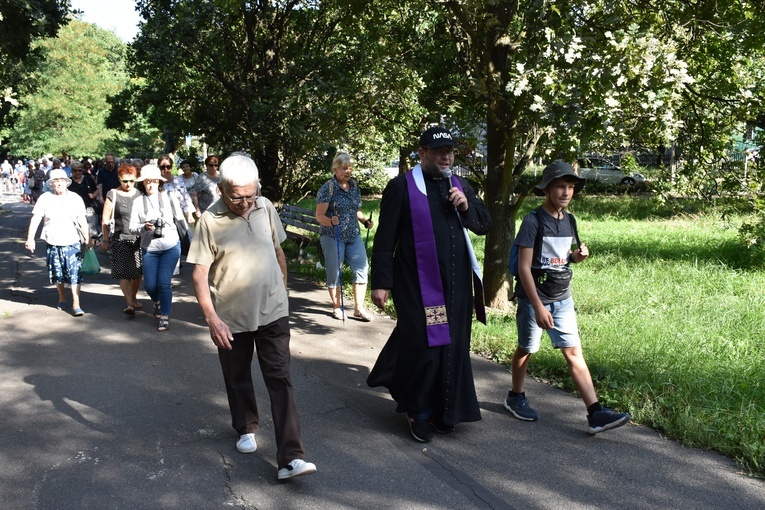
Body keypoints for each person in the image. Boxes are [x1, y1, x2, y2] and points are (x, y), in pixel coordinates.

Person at [187, 155, 317, 481]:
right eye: (237, 197)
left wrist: (283, 292)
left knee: (281, 379)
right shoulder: (209, 221)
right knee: (238, 377)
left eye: (250, 194)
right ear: (221, 189)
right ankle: (245, 426)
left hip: (273, 311)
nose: (245, 202)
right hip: (231, 317)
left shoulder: (265, 207)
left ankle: (292, 457)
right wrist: (212, 319)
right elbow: (199, 275)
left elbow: (277, 251)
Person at [367, 125, 492, 443]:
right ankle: (419, 411)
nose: (446, 157)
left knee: (453, 345)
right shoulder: (402, 187)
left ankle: (445, 411)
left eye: (449, 152)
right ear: (421, 154)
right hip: (421, 288)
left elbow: (484, 224)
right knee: (427, 345)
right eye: (439, 152)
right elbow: (385, 240)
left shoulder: (460, 185)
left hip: (458, 288)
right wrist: (380, 282)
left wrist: (466, 207)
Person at [503, 160, 631, 435]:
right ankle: (515, 395)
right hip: (533, 299)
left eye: (570, 187)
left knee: (573, 352)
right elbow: (524, 267)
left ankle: (595, 413)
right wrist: (537, 306)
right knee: (527, 349)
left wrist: (577, 257)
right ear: (547, 190)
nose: (565, 192)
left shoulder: (569, 220)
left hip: (562, 297)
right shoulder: (533, 220)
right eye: (560, 186)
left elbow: (563, 259)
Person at [314, 152, 374, 321]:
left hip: (353, 234)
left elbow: (356, 210)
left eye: (350, 168)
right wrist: (330, 221)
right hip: (333, 235)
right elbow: (319, 216)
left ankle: (358, 308)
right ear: (335, 169)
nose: (348, 171)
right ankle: (337, 307)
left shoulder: (354, 186)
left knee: (362, 268)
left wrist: (364, 221)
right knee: (335, 272)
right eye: (344, 168)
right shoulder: (328, 188)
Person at [24, 169, 92, 316]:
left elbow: (82, 220)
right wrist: (30, 238)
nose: (59, 183)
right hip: (53, 241)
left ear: (66, 182)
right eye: (56, 181)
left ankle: (76, 303)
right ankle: (61, 295)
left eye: (62, 180)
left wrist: (88, 237)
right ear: (51, 183)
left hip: (72, 241)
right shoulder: (45, 198)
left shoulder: (75, 198)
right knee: (57, 273)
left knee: (75, 272)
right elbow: (36, 218)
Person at [128, 164, 182, 331]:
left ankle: (165, 316)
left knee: (164, 283)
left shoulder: (170, 197)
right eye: (147, 182)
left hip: (170, 245)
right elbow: (131, 227)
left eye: (153, 181)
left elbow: (180, 218)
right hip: (149, 248)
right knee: (150, 285)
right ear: (143, 184)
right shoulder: (138, 202)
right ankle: (157, 302)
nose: (150, 184)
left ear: (160, 182)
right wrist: (145, 228)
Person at [101, 164, 144, 315]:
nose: (128, 184)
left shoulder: (139, 194)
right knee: (124, 272)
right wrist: (105, 239)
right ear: (119, 179)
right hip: (120, 237)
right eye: (125, 181)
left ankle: (132, 296)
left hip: (138, 237)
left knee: (138, 272)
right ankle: (129, 303)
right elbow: (105, 218)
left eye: (131, 181)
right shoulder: (112, 194)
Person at [158, 155, 197, 225]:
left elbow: (185, 198)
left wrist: (189, 215)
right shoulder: (156, 183)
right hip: (165, 220)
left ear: (171, 167)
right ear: (159, 167)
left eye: (168, 166)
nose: (166, 169)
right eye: (162, 167)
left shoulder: (178, 180)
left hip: (182, 218)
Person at [68, 160, 100, 237]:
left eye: (79, 170)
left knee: (91, 233)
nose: (78, 172)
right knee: (77, 232)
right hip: (74, 210)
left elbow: (97, 190)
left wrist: (93, 195)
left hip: (88, 208)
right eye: (75, 170)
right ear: (72, 171)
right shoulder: (69, 182)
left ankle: (89, 247)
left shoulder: (88, 179)